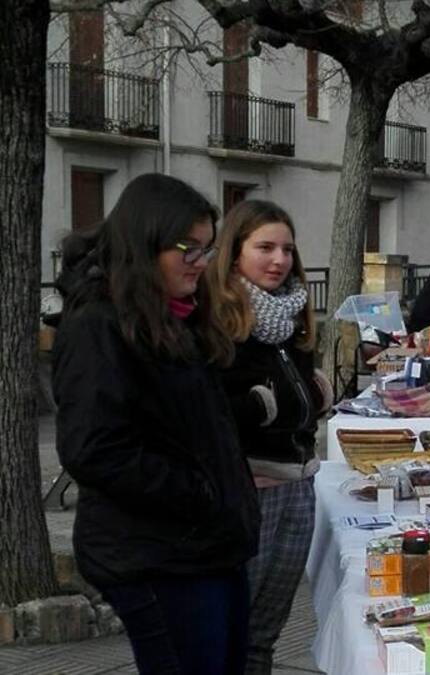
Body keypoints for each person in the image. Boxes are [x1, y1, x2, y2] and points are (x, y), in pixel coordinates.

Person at [52, 173, 259, 674]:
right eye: (187, 248)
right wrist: (199, 493)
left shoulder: (174, 316)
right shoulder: (98, 325)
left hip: (204, 548)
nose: (200, 264)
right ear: (146, 241)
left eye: (207, 250)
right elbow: (93, 449)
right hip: (157, 556)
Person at [206, 200, 333, 674]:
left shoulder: (291, 316)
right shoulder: (217, 320)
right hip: (252, 495)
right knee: (232, 636)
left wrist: (313, 393)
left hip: (299, 486)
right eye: (264, 247)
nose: (279, 259)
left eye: (287, 249)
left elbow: (293, 395)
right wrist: (265, 405)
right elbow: (209, 413)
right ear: (234, 252)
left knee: (264, 637)